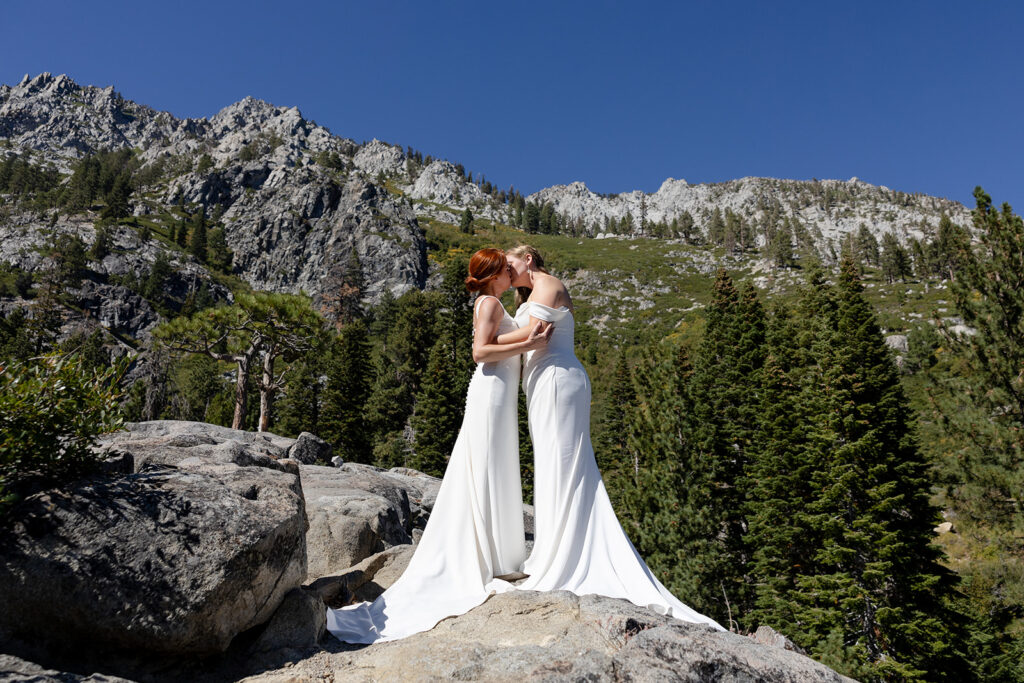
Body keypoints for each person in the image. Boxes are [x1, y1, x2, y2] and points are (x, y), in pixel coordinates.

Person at [326, 248, 551, 643]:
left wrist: (528, 339)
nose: (510, 269)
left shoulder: (494, 301)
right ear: (495, 273)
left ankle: (495, 554)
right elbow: (480, 352)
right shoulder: (489, 302)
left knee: (493, 465)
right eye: (505, 266)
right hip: (491, 390)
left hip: (500, 391)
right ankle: (481, 555)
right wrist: (528, 344)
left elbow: (496, 342)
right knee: (485, 464)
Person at [504, 244, 724, 630]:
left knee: (565, 465)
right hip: (542, 383)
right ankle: (550, 552)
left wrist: (487, 337)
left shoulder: (549, 284)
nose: (507, 273)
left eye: (510, 265)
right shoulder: (529, 294)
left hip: (558, 379)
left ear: (528, 260)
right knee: (551, 465)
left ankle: (565, 557)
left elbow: (534, 334)